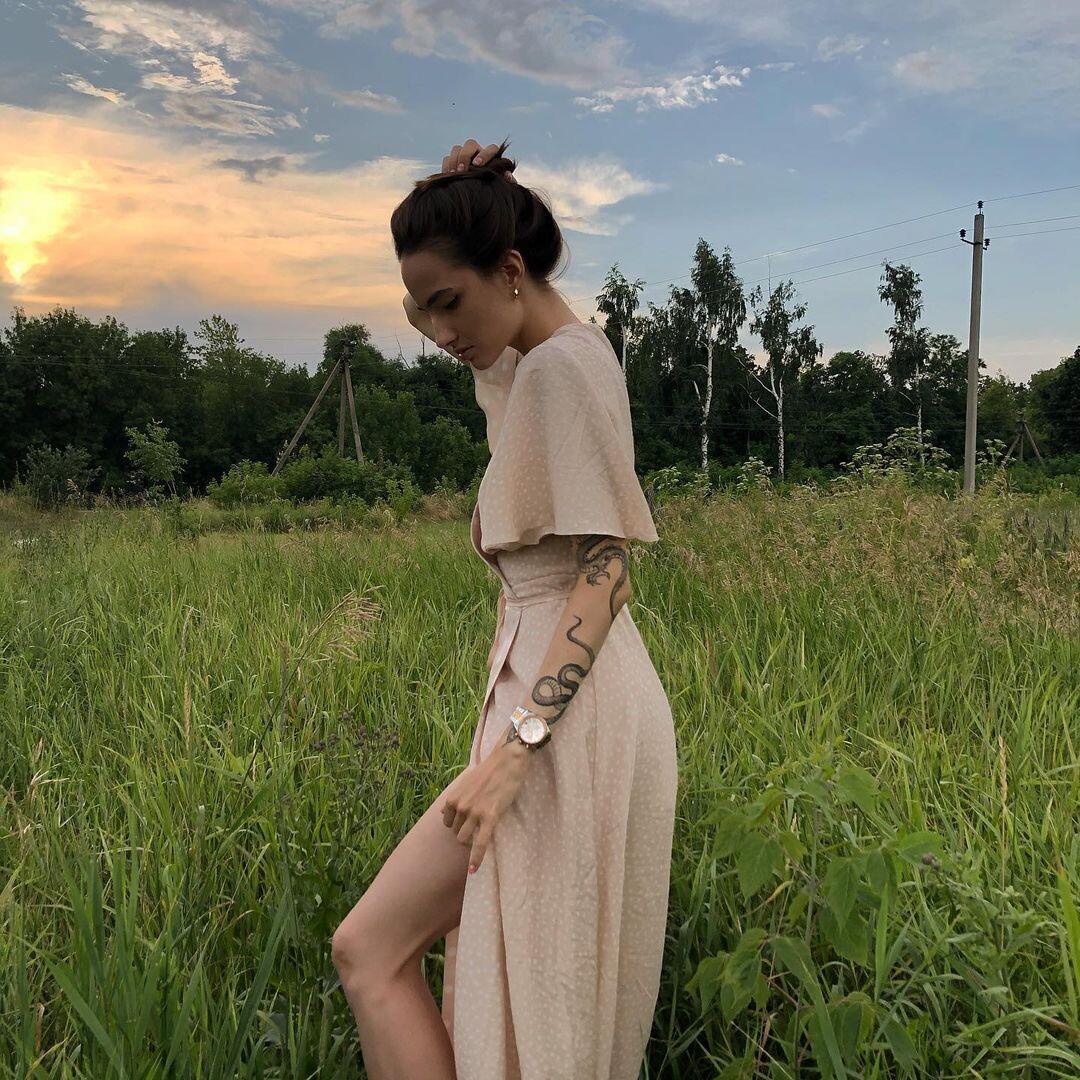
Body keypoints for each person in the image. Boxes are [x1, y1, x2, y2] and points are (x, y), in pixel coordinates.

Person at [331, 137, 678, 1080]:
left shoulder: (561, 371)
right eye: (421, 312)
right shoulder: (555, 361)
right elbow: (498, 374)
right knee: (436, 959)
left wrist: (519, 749)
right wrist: (467, 195)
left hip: (565, 723)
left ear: (512, 270)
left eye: (450, 302)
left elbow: (607, 570)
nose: (438, 332)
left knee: (374, 949)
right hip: (569, 706)